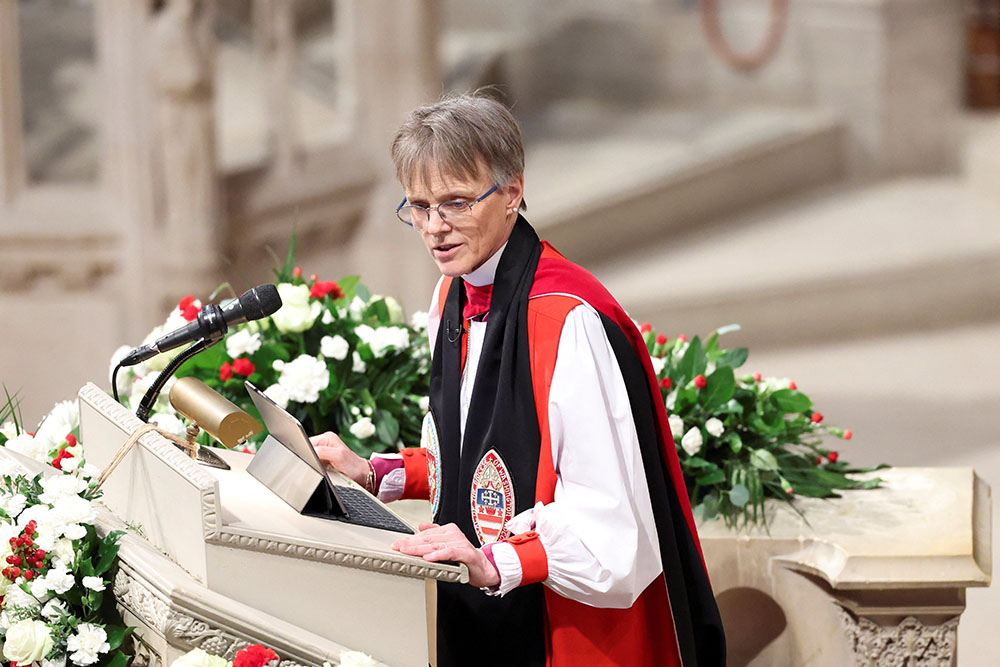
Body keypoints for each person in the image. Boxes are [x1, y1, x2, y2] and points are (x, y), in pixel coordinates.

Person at [311, 92, 725, 667]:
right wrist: (374, 472)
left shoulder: (566, 321)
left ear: (512, 192)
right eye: (419, 207)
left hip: (565, 630)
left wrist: (494, 563)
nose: (435, 228)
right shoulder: (451, 295)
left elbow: (609, 524)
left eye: (455, 203)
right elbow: (476, 463)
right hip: (477, 612)